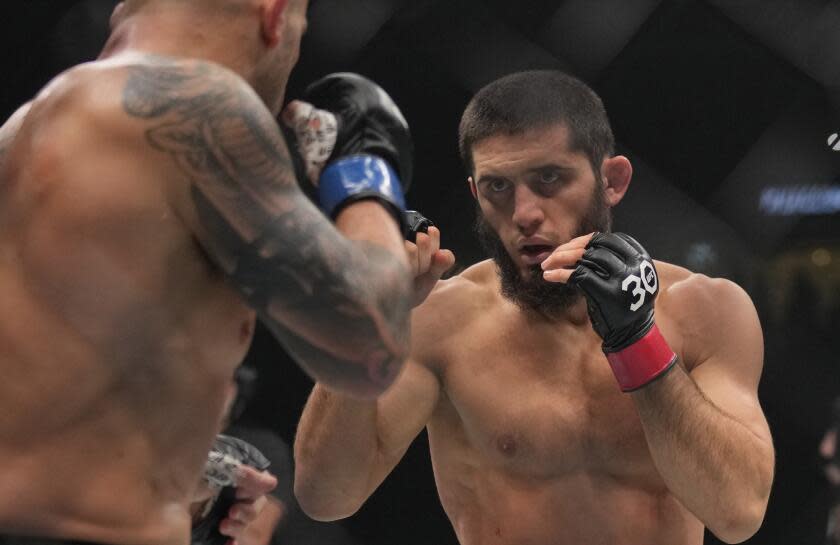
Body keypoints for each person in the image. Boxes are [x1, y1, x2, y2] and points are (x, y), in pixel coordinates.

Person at [294, 70, 776, 545]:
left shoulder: (706, 310)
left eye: (549, 178)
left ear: (612, 180)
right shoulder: (442, 321)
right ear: (475, 195)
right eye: (498, 187)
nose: (524, 213)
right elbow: (327, 497)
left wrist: (638, 341)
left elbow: (739, 514)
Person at [0, 0, 415, 544]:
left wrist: (179, 474)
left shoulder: (22, 133)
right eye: (298, 37)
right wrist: (365, 171)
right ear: (274, 15)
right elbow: (369, 342)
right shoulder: (194, 106)